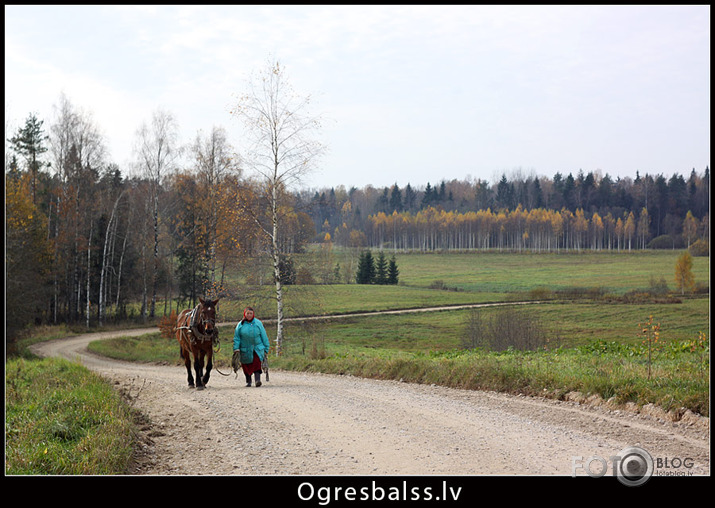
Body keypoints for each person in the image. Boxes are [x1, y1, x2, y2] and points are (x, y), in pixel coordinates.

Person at [233, 307, 270, 387]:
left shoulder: (258, 323)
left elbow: (264, 336)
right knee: (246, 366)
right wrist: (236, 348)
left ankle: (257, 380)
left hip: (256, 348)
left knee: (256, 363)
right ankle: (248, 381)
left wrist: (266, 348)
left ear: (253, 314)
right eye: (247, 313)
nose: (249, 315)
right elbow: (237, 338)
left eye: (251, 313)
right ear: (244, 314)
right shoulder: (240, 325)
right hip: (244, 349)